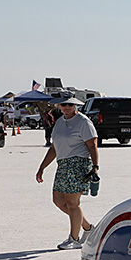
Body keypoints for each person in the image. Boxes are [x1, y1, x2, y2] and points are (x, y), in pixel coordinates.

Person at [35, 95, 98, 249]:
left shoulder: (83, 122)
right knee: (58, 201)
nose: (67, 107)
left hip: (78, 163)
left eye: (70, 104)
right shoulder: (59, 122)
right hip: (63, 165)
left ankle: (74, 239)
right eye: (64, 105)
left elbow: (92, 145)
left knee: (72, 203)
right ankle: (88, 228)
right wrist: (42, 167)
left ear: (75, 105)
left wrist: (95, 166)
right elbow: (54, 148)